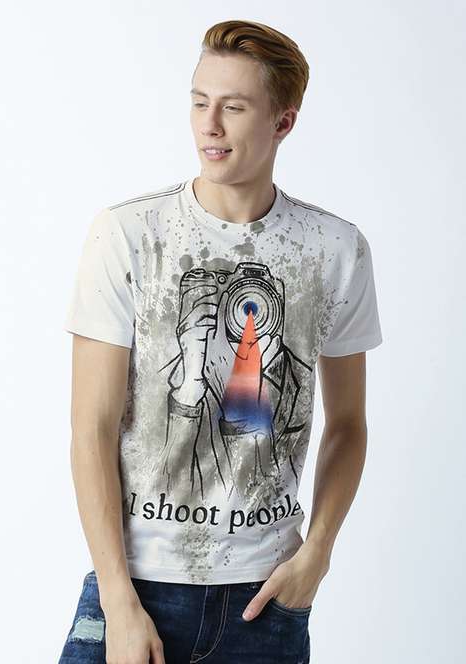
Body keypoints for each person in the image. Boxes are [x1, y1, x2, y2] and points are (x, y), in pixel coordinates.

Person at [59, 18, 383, 664]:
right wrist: (118, 599)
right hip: (140, 585)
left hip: (266, 593)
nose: (208, 125)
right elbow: (91, 428)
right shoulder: (129, 234)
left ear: (283, 122)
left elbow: (348, 424)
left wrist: (317, 554)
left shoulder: (334, 249)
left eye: (233, 107)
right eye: (199, 101)